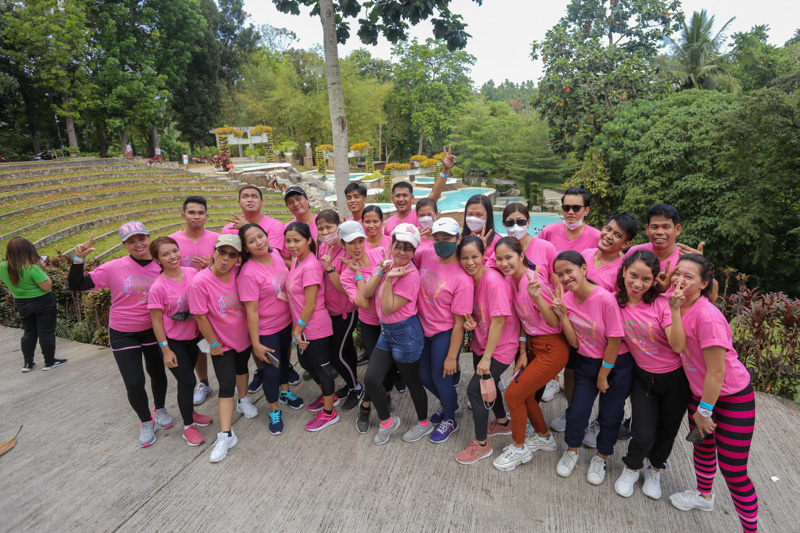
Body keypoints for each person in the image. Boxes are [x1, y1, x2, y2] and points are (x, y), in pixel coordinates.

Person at [668, 254, 758, 533]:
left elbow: (718, 372)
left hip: (732, 398)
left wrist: (704, 411)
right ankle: (704, 496)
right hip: (701, 393)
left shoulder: (708, 318)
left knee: (733, 470)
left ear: (704, 284)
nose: (679, 280)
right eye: (677, 273)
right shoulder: (678, 304)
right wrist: (674, 310)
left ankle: (750, 530)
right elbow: (677, 346)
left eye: (689, 276)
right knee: (702, 446)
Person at [69, 223, 173, 448]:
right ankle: (146, 421)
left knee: (158, 373)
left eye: (142, 238)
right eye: (131, 241)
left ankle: (160, 409)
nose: (138, 244)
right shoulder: (113, 268)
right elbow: (77, 284)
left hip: (154, 330)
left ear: (149, 238)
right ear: (124, 244)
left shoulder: (161, 265)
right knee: (134, 382)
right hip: (123, 332)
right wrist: (78, 259)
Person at [544, 251, 633, 485]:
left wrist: (604, 374)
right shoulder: (567, 300)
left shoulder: (605, 299)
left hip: (615, 363)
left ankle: (600, 457)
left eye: (569, 271)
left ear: (584, 269)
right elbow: (575, 343)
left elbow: (615, 340)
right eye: (560, 274)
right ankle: (571, 451)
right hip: (586, 362)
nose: (565, 277)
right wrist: (562, 316)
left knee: (611, 416)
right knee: (577, 411)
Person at [611, 250, 689, 499]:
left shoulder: (663, 304)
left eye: (646, 279)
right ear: (624, 271)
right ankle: (632, 466)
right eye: (633, 275)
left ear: (654, 280)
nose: (638, 284)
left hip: (675, 380)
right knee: (643, 433)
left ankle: (655, 469)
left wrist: (675, 310)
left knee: (667, 433)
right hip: (643, 378)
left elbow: (678, 346)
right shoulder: (613, 302)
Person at [491, 237, 568, 472]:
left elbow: (555, 322)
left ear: (521, 256)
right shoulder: (511, 280)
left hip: (552, 349)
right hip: (534, 347)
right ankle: (544, 437)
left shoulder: (534, 282)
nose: (504, 263)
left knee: (512, 395)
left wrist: (536, 297)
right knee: (524, 396)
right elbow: (525, 320)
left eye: (509, 257)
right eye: (499, 259)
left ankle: (519, 447)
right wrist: (523, 351)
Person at [360, 223, 432, 445]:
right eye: (398, 246)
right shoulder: (388, 264)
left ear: (414, 251)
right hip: (387, 332)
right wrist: (382, 272)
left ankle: (424, 423)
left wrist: (389, 279)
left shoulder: (410, 275)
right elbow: (367, 292)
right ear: (390, 245)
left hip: (405, 335)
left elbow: (389, 307)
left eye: (408, 248)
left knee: (412, 383)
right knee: (371, 380)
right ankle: (387, 421)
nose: (402, 252)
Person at [190, 234, 256, 462]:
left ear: (238, 258)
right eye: (222, 252)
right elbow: (200, 317)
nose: (226, 258)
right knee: (226, 385)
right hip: (221, 344)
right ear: (214, 252)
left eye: (232, 255)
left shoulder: (239, 273)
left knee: (242, 369)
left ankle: (243, 400)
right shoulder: (200, 282)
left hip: (243, 337)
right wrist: (214, 344)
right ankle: (226, 434)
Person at [456, 236, 518, 465]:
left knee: (475, 391)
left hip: (499, 348)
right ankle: (503, 423)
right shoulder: (470, 279)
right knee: (488, 386)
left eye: (475, 256)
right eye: (465, 257)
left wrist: (487, 358)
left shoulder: (493, 282)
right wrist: (472, 322)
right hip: (481, 343)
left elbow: (499, 321)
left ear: (483, 256)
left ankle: (481, 445)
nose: (470, 262)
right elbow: (483, 313)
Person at [238, 223, 304, 436]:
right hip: (266, 329)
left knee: (284, 361)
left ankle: (285, 392)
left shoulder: (275, 254)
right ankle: (274, 410)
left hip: (286, 321)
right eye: (252, 241)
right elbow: (251, 311)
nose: (259, 243)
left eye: (260, 236)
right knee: (272, 370)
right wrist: (256, 343)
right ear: (246, 248)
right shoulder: (248, 273)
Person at [147, 237, 213, 447]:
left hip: (193, 337)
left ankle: (190, 413)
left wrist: (210, 267)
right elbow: (156, 321)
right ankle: (188, 427)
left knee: (188, 379)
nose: (173, 256)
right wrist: (165, 350)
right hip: (173, 342)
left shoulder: (192, 273)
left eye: (175, 251)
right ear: (157, 260)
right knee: (187, 382)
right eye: (165, 254)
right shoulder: (158, 287)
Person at [416, 218, 473, 443]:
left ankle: (450, 419)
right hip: (423, 329)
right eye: (437, 238)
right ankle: (449, 402)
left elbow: (459, 324)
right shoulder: (427, 253)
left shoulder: (462, 279)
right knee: (423, 376)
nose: (441, 242)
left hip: (445, 333)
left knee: (441, 380)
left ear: (458, 239)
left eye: (447, 238)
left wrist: (452, 357)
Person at [284, 221, 339, 432]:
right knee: (306, 363)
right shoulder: (297, 261)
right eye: (288, 241)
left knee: (321, 369)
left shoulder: (311, 267)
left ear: (308, 240)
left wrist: (297, 331)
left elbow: (310, 304)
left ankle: (329, 412)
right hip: (302, 326)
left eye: (297, 240)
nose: (292, 245)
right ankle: (328, 396)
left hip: (315, 326)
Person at [168, 196, 219, 406]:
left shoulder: (216, 239)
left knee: (221, 340)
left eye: (200, 213)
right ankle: (204, 383)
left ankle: (230, 379)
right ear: (183, 215)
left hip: (214, 301)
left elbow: (230, 266)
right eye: (191, 212)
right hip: (186, 304)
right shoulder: (172, 242)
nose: (196, 216)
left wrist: (212, 265)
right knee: (197, 346)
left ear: (207, 215)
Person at [316, 211, 364, 411]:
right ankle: (352, 384)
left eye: (329, 227)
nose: (325, 232)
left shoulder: (346, 252)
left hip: (346, 311)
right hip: (330, 309)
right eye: (321, 228)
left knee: (336, 354)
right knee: (347, 349)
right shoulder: (323, 246)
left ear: (339, 227)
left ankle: (356, 388)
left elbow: (345, 288)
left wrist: (330, 268)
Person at [1, 237, 65, 372]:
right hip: (43, 302)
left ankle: (28, 364)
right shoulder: (32, 268)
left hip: (22, 303)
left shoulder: (2, 267)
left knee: (29, 332)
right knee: (46, 333)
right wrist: (42, 268)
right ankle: (49, 362)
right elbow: (47, 286)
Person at [382, 145, 454, 236]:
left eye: (405, 195)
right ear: (392, 199)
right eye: (397, 196)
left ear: (412, 198)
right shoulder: (389, 223)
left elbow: (435, 193)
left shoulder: (421, 214)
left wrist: (446, 170)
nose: (401, 199)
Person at [580, 213, 638, 293]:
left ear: (625, 244)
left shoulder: (621, 273)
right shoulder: (585, 254)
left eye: (617, 235)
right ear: (603, 228)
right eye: (608, 229)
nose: (608, 236)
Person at [222, 185, 286, 255]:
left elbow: (271, 255)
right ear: (239, 203)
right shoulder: (228, 229)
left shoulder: (275, 226)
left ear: (262, 203)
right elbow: (226, 256)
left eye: (254, 196)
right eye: (245, 197)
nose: (250, 200)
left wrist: (247, 228)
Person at [537, 186, 601, 253]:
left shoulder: (597, 238)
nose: (570, 212)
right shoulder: (548, 232)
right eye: (566, 208)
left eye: (576, 208)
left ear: (586, 211)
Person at [461, 195, 501, 261]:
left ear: (488, 216)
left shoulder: (498, 242)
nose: (473, 218)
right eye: (470, 214)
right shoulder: (460, 239)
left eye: (479, 214)